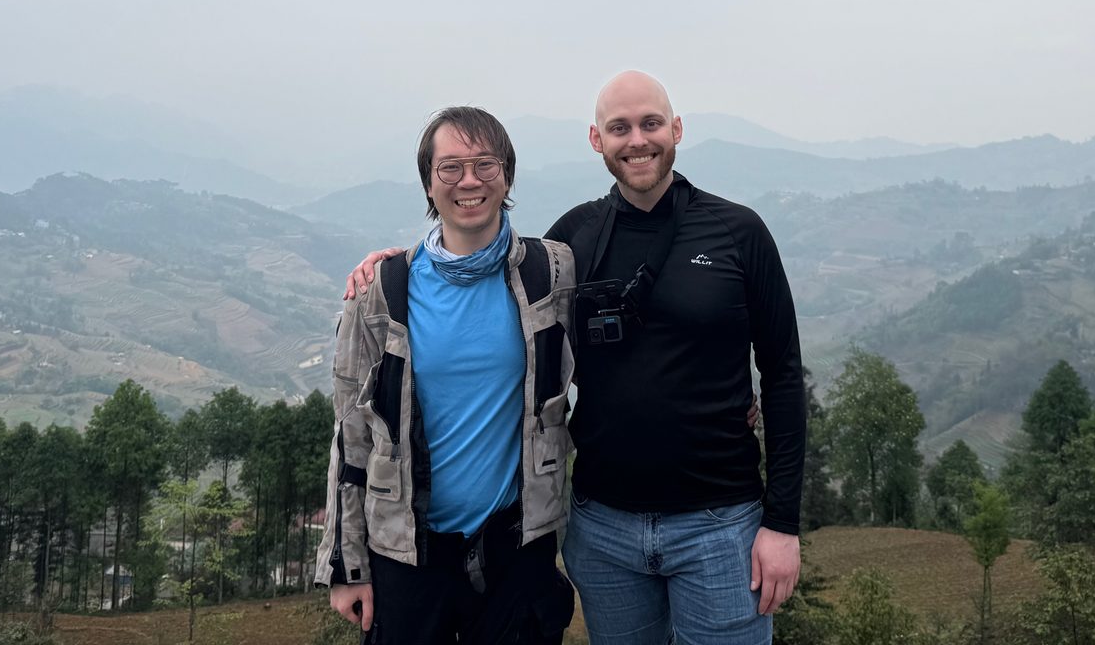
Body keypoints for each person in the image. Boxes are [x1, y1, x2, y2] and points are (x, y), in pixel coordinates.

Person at [349, 72, 805, 643]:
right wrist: (396, 266)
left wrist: (782, 523)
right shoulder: (571, 245)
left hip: (720, 526)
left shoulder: (740, 233)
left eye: (651, 124)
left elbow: (784, 375)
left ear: (678, 130)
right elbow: (494, 271)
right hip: (603, 526)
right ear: (597, 140)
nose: (637, 140)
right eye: (620, 128)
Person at [318, 106, 576, 644]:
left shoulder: (550, 273)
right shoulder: (382, 292)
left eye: (485, 164)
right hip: (409, 551)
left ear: (506, 175)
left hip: (516, 545)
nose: (469, 181)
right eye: (450, 168)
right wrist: (348, 568)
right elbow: (351, 437)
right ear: (428, 183)